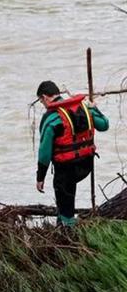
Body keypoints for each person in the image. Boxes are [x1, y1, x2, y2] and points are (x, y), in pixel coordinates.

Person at [35, 81, 109, 226]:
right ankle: (65, 220)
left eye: (41, 101)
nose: (43, 105)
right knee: (67, 194)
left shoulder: (52, 117)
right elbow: (104, 125)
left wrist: (40, 177)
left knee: (64, 197)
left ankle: (67, 227)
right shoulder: (84, 107)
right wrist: (94, 108)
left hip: (66, 167)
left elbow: (44, 152)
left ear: (44, 97)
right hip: (86, 163)